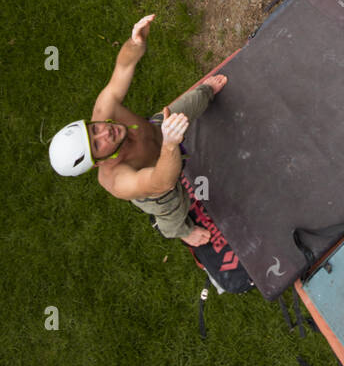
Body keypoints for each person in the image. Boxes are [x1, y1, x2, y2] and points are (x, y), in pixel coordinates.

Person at [48, 15, 248, 289]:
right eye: (97, 144)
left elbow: (124, 65)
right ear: (96, 163)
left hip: (158, 128)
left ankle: (205, 93)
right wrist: (169, 145)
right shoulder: (117, 181)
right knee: (174, 216)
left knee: (193, 101)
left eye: (93, 130)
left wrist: (134, 41)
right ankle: (185, 233)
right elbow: (161, 181)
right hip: (161, 189)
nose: (104, 132)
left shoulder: (104, 112)